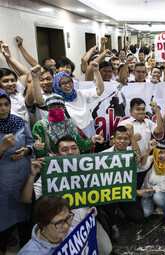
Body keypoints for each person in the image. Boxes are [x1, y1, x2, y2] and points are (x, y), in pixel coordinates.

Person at [20, 135, 111, 254]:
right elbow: (26, 199)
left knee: (106, 249)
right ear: (57, 155)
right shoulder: (50, 174)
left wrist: (131, 160)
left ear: (79, 151)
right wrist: (32, 175)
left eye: (74, 148)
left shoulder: (91, 168)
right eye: (64, 150)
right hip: (61, 228)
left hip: (86, 221)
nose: (70, 152)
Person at [0, 89, 34, 253]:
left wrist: (27, 150)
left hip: (25, 180)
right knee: (4, 223)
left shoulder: (18, 122)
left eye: (6, 104)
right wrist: (2, 148)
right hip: (4, 185)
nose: (4, 108)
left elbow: (31, 142)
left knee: (26, 219)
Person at [18, 196, 97, 255]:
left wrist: (86, 220)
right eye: (59, 223)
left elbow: (76, 233)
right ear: (43, 224)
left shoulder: (65, 232)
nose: (66, 226)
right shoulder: (30, 252)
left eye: (68, 218)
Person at [31, 94, 103, 157]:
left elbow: (81, 146)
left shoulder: (70, 124)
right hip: (52, 165)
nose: (56, 109)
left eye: (59, 106)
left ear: (63, 108)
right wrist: (39, 148)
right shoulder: (41, 126)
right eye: (53, 107)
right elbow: (41, 153)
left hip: (71, 162)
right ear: (48, 109)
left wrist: (92, 140)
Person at [118, 98, 165, 188]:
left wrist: (157, 111)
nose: (141, 112)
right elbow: (114, 143)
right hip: (128, 166)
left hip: (144, 165)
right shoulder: (124, 124)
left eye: (143, 109)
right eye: (138, 109)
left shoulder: (148, 122)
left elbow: (160, 130)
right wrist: (131, 138)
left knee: (140, 191)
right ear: (131, 110)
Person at [53, 62, 104, 137]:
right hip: (71, 138)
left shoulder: (80, 94)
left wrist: (96, 71)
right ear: (57, 86)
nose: (67, 85)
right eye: (63, 83)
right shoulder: (57, 103)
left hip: (89, 134)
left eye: (69, 81)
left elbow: (99, 90)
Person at [138, 139, 165, 228]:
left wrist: (144, 190)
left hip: (163, 191)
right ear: (156, 152)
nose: (163, 156)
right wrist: (148, 150)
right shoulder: (152, 159)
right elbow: (142, 165)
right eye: (160, 152)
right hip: (148, 192)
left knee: (158, 197)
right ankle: (154, 202)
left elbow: (164, 186)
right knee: (145, 213)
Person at [0, 43, 30, 122]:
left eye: (13, 80)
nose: (10, 84)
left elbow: (25, 73)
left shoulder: (17, 90)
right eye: (5, 81)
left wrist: (9, 57)